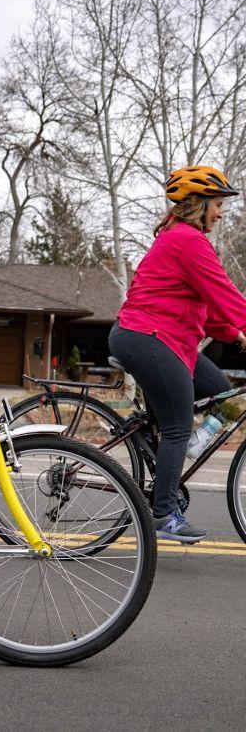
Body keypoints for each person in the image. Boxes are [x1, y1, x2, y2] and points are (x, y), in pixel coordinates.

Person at [109, 165, 246, 543]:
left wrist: (235, 335)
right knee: (176, 424)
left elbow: (212, 308)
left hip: (165, 340)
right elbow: (227, 295)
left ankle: (166, 453)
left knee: (218, 388)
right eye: (217, 204)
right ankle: (165, 512)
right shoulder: (187, 240)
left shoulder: (183, 239)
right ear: (198, 205)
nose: (220, 212)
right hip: (148, 338)